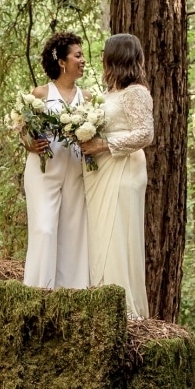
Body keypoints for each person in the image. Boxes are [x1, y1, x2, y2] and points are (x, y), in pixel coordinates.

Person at [80, 33, 153, 319]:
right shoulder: (110, 94)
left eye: (104, 53)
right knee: (101, 235)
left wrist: (104, 145)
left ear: (116, 57)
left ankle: (124, 309)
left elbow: (146, 134)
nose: (99, 58)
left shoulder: (136, 92)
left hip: (124, 170)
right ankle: (101, 299)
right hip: (102, 171)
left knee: (117, 234)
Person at [22, 31, 89, 289]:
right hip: (44, 170)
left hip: (74, 169)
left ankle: (71, 293)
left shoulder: (88, 98)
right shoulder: (40, 94)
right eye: (78, 55)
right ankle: (39, 290)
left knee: (73, 231)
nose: (83, 60)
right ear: (62, 61)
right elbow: (23, 131)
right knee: (44, 228)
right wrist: (31, 145)